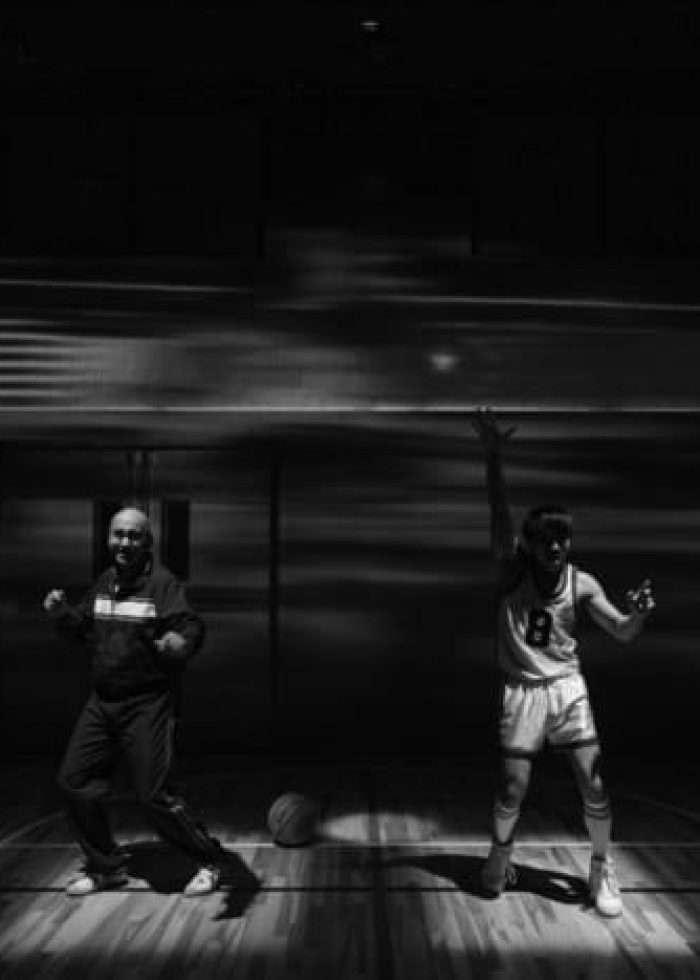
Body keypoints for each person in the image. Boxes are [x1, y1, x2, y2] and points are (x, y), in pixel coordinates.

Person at [472, 408, 655, 917]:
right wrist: (493, 459)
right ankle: (500, 855)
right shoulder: (512, 574)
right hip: (522, 691)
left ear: (568, 542)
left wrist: (638, 614)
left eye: (561, 539)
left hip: (567, 689)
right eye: (545, 539)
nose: (554, 546)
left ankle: (600, 865)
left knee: (593, 782)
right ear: (530, 544)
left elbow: (622, 632)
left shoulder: (583, 583)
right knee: (512, 787)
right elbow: (499, 516)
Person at [43, 506, 228, 898]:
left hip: (148, 702)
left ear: (148, 542)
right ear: (109, 538)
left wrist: (180, 643)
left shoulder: (163, 584)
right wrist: (62, 614)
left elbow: (190, 626)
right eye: (118, 534)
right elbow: (85, 631)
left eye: (134, 536)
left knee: (153, 795)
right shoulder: (105, 581)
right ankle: (107, 867)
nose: (125, 542)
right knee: (73, 782)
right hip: (103, 702)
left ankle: (210, 861)